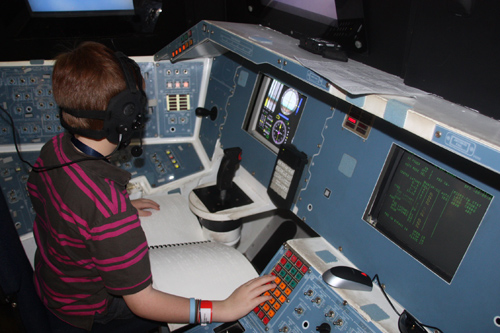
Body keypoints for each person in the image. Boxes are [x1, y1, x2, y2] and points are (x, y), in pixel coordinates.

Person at [27, 41, 275, 332]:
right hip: (89, 310)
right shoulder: (106, 207)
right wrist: (223, 308)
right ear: (125, 118)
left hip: (55, 282)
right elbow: (142, 302)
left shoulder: (54, 149)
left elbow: (67, 207)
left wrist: (110, 214)